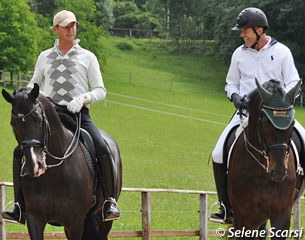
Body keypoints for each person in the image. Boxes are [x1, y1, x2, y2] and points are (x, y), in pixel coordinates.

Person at [2, 10, 120, 223]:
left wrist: (83, 98)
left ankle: (109, 201)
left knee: (102, 147)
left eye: (73, 25)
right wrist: (30, 97)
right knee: (20, 151)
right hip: (50, 115)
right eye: (65, 26)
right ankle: (20, 206)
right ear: (56, 29)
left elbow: (101, 90)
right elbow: (33, 84)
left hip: (78, 115)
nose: (71, 29)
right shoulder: (44, 56)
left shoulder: (88, 57)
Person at [209, 7, 305, 224]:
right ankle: (226, 206)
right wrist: (235, 97)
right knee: (217, 153)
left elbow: (294, 83)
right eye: (242, 31)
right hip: (245, 114)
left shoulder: (282, 52)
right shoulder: (239, 54)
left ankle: (294, 192)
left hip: (277, 114)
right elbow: (230, 82)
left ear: (259, 30)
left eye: (245, 31)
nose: (242, 35)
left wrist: (283, 98)